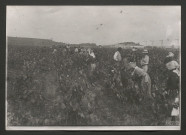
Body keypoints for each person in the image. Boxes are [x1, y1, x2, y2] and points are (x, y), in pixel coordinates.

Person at [164, 52, 180, 122]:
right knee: (173, 98)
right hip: (173, 74)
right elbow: (178, 66)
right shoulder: (170, 62)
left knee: (174, 98)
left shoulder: (169, 63)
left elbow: (178, 67)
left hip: (173, 74)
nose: (169, 58)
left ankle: (173, 115)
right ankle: (172, 114)